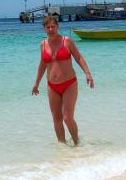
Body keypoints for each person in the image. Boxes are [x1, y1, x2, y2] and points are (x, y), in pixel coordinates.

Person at [32, 15, 94, 145]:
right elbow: (42, 65)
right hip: (52, 86)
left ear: (58, 27)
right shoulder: (43, 45)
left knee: (67, 117)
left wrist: (88, 74)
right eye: (47, 27)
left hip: (69, 84)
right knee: (56, 118)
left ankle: (77, 143)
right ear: (44, 29)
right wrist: (36, 83)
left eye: (53, 26)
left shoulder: (67, 41)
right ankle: (62, 147)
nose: (50, 29)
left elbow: (79, 58)